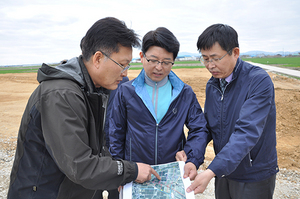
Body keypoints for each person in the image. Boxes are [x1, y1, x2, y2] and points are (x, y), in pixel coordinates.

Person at [7, 17, 160, 199]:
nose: (125, 72)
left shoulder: (93, 89)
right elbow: (80, 166)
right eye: (122, 64)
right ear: (97, 58)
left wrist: (116, 177)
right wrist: (131, 171)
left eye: (128, 65)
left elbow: (98, 149)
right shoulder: (61, 95)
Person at [186, 24, 278, 198]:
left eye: (215, 58)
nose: (210, 65)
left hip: (253, 174)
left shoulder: (258, 81)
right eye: (205, 59)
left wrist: (212, 169)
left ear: (235, 52)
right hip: (224, 170)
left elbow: (246, 132)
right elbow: (209, 127)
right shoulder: (213, 84)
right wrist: (193, 158)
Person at [109, 27, 208, 180]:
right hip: (136, 173)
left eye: (166, 62)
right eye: (153, 60)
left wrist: (191, 158)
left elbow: (199, 128)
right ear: (142, 56)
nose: (159, 67)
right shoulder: (126, 91)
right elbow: (115, 132)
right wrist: (121, 173)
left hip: (173, 173)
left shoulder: (184, 93)